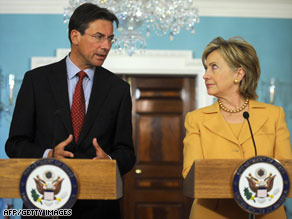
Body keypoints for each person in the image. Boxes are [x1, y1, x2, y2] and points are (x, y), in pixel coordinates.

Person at [5, 3, 136, 218]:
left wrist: (110, 162)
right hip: (45, 203)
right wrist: (49, 155)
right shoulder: (36, 81)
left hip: (99, 208)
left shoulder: (118, 89)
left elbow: (127, 153)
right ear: (75, 36)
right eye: (99, 37)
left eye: (110, 39)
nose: (106, 46)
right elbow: (15, 144)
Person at [183, 36, 292, 219]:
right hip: (212, 213)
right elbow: (190, 174)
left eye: (214, 67)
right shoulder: (196, 119)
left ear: (239, 74)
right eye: (206, 68)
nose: (205, 75)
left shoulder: (274, 115)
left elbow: (285, 171)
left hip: (266, 213)